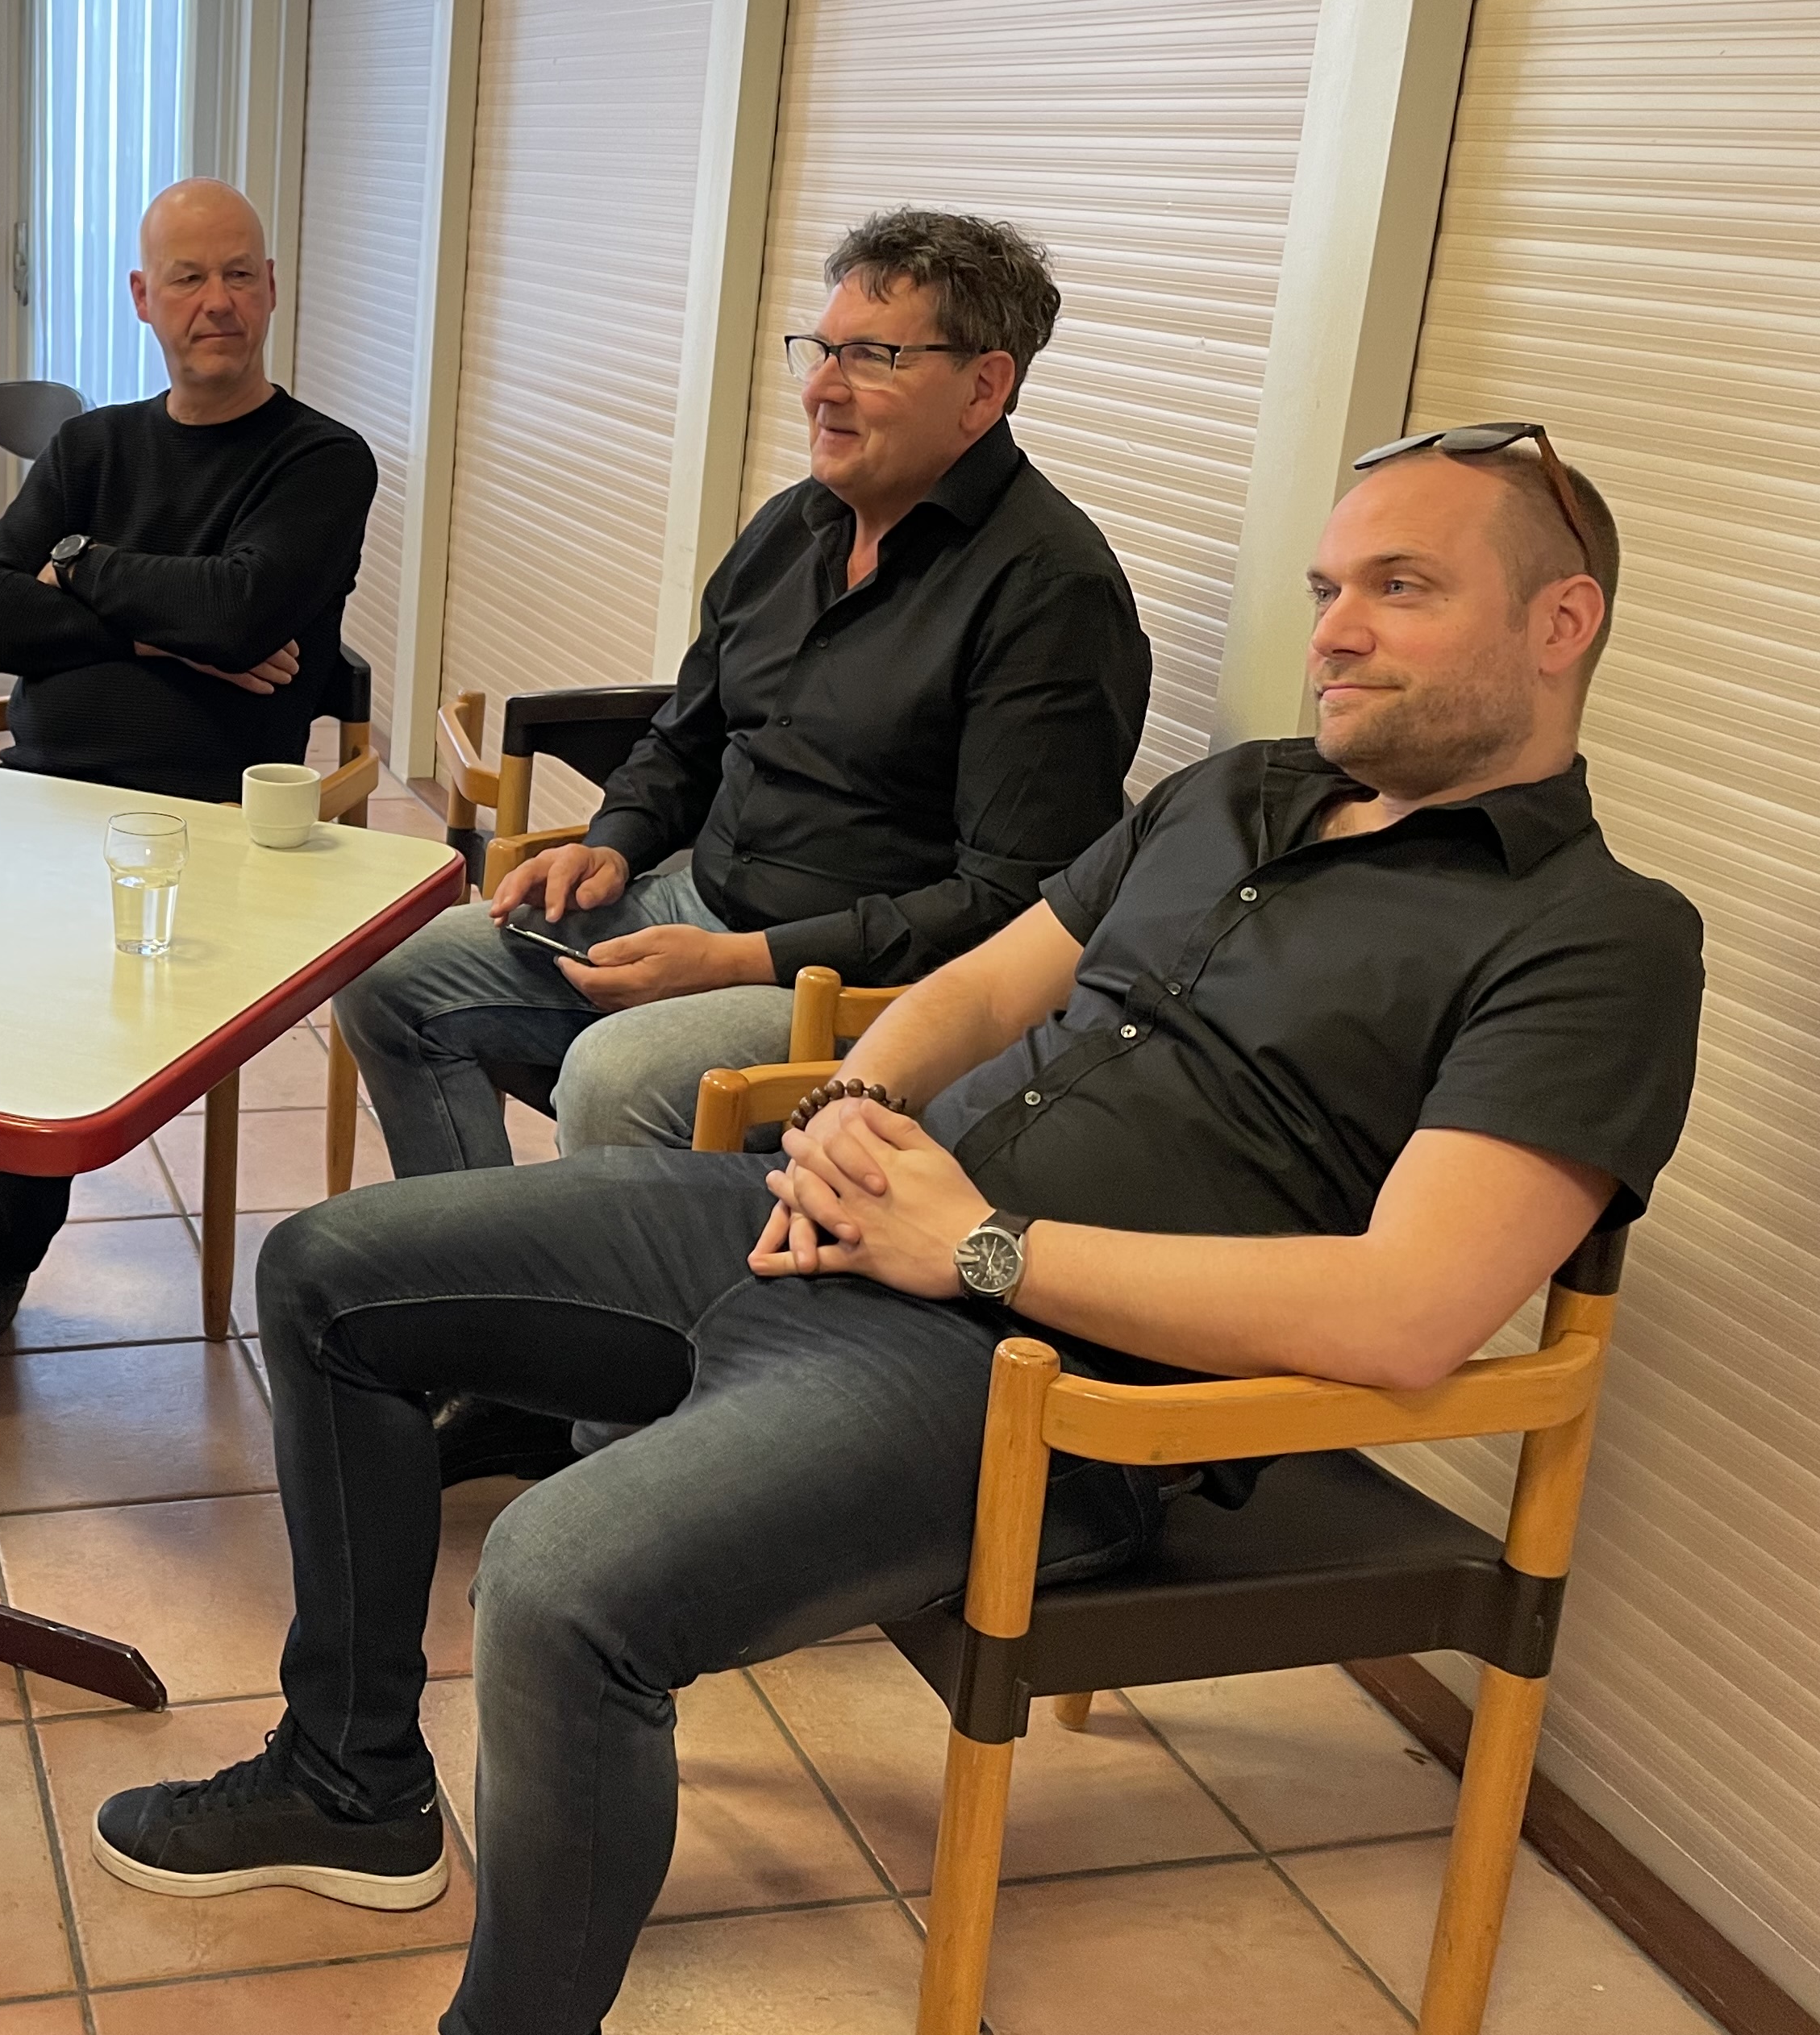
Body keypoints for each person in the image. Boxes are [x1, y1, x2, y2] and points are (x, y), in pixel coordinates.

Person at [90, 425, 1703, 2035]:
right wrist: (851, 1110)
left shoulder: (1596, 938)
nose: (1334, 632)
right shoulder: (1239, 792)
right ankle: (350, 1781)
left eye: (1399, 588)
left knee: (562, 1578)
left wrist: (977, 1246)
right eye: (1328, 587)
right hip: (847, 1230)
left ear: (1559, 623)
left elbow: (1409, 1312)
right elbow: (991, 982)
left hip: (1043, 1383)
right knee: (328, 1272)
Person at [337, 207, 1149, 1176]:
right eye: (821, 350)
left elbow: (1013, 904)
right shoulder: (792, 527)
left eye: (871, 358)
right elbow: (683, 740)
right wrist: (613, 841)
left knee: (615, 1078)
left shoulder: (1052, 593)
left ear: (985, 386)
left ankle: (601, 1272)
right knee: (387, 977)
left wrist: (737, 961)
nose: (821, 389)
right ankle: (471, 1250)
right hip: (700, 901)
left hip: (867, 991)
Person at [0, 177, 378, 1398]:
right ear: (143, 297)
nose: (217, 301)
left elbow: (245, 613)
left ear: (272, 289)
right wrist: (157, 627)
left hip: (206, 825)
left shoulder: (322, 460)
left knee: (59, 982)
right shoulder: (91, 448)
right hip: (35, 795)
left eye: (239, 274)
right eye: (189, 277)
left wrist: (76, 570)